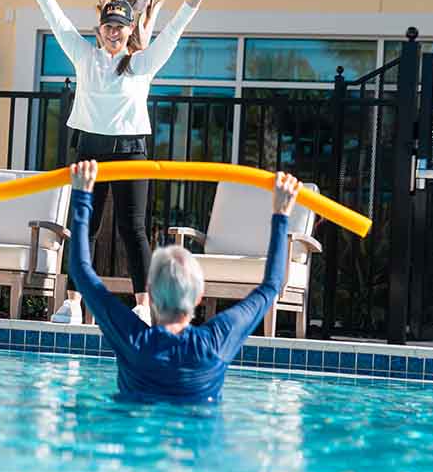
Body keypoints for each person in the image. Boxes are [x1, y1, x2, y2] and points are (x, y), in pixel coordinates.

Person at [23, 0, 212, 325]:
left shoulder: (141, 65)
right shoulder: (84, 57)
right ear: (99, 31)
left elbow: (174, 32)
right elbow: (55, 19)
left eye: (120, 27)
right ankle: (73, 304)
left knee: (133, 229)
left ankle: (142, 305)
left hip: (130, 152)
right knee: (84, 227)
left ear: (130, 32)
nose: (113, 32)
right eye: (107, 26)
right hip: (90, 151)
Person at [66, 160, 302, 403]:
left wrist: (83, 195)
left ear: (151, 293)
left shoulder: (134, 340)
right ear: (199, 296)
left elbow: (82, 272)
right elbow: (272, 285)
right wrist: (281, 214)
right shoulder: (216, 341)